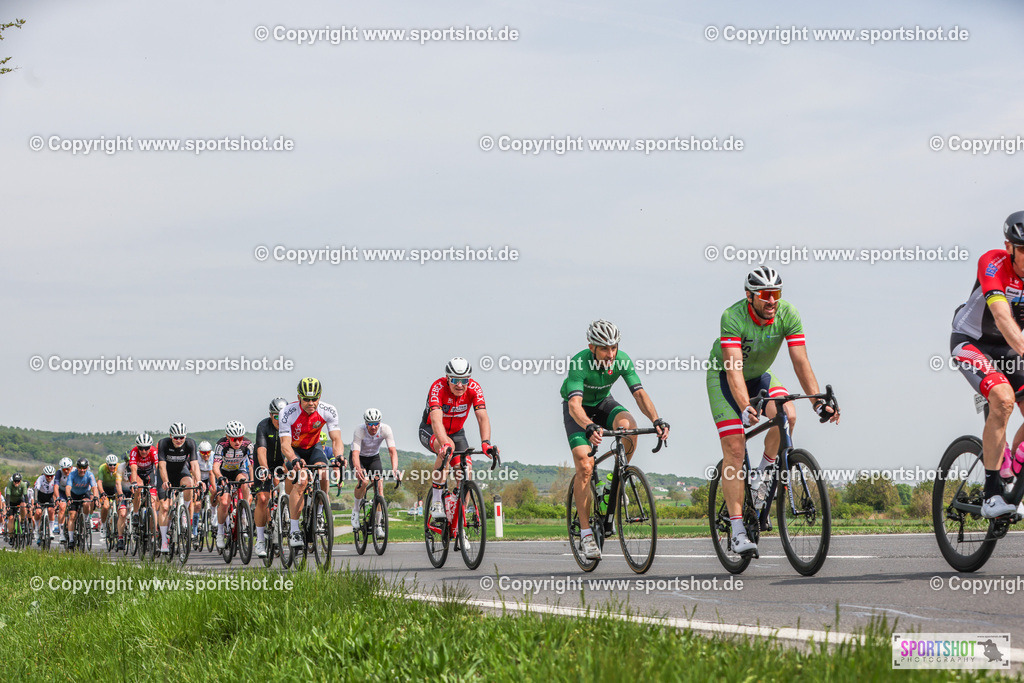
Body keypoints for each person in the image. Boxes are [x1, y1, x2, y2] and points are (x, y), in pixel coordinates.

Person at [707, 267, 838, 555]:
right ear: (750, 296)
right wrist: (744, 406)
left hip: (760, 376)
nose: (772, 301)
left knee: (788, 415)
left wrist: (818, 402)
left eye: (776, 294)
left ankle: (761, 477)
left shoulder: (788, 314)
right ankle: (738, 530)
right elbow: (734, 370)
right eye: (765, 295)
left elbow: (800, 362)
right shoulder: (732, 317)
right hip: (725, 378)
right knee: (735, 448)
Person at [561, 321, 669, 560]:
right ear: (592, 347)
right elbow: (574, 405)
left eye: (614, 348)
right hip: (578, 411)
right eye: (604, 349)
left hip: (603, 403)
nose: (610, 354)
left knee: (629, 429)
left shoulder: (622, 360)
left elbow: (639, 394)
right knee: (585, 465)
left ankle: (612, 484)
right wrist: (588, 426)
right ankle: (586, 534)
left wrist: (656, 419)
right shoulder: (579, 363)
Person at [950, 211, 1024, 518]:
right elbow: (1001, 316)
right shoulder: (993, 263)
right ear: (1009, 247)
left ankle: (1012, 465)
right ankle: (992, 495)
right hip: (971, 343)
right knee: (1004, 400)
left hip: (1009, 348)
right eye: (1023, 250)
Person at [418, 357, 499, 521]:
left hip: (457, 432)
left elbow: (482, 417)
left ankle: (459, 521)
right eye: (455, 380)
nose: (460, 385)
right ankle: (436, 502)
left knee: (466, 472)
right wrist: (443, 444)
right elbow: (436, 420)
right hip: (431, 430)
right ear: (447, 378)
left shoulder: (474, 388)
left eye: (464, 380)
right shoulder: (437, 387)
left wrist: (486, 443)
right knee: (447, 449)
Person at [279, 377, 344, 548]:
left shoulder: (328, 410)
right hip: (294, 450)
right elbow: (284, 445)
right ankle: (294, 530)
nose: (311, 403)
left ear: (320, 396)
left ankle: (320, 513)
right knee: (301, 481)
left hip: (313, 447)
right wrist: (293, 459)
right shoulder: (287, 412)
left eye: (314, 398)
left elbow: (336, 439)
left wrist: (338, 457)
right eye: (306, 399)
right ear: (299, 396)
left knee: (323, 472)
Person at [350, 408, 399, 536]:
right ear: (366, 423)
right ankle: (355, 511)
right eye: (370, 424)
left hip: (373, 458)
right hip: (359, 457)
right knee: (364, 481)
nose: (373, 427)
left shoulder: (386, 429)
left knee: (379, 488)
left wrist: (395, 469)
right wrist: (358, 468)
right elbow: (355, 453)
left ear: (380, 422)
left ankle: (378, 526)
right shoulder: (359, 430)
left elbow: (392, 451)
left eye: (376, 423)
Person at [253, 397, 288, 558]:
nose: (279, 420)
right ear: (270, 415)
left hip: (283, 463)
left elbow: (291, 449)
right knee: (262, 498)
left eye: (283, 416)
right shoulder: (263, 426)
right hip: (264, 462)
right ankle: (260, 540)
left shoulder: (291, 426)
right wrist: (265, 469)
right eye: (276, 417)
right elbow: (261, 451)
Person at [157, 422, 199, 553]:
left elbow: (195, 465)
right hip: (166, 475)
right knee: (164, 507)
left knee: (190, 484)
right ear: (170, 436)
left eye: (182, 437)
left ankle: (184, 512)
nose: (179, 440)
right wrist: (165, 481)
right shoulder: (163, 443)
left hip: (181, 472)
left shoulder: (190, 443)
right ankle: (164, 540)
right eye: (176, 437)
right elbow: (162, 466)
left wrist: (199, 481)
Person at [213, 421, 252, 550]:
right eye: (234, 439)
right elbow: (215, 466)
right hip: (224, 473)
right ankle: (219, 532)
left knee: (245, 483)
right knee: (224, 503)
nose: (238, 442)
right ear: (228, 437)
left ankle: (244, 515)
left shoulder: (248, 444)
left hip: (238, 472)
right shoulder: (221, 445)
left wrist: (252, 479)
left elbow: (252, 465)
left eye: (240, 438)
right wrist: (220, 477)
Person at [64, 458, 99, 549]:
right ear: (77, 467)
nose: (82, 470)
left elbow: (94, 487)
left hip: (84, 493)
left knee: (86, 503)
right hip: (74, 494)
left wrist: (95, 497)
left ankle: (86, 520)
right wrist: (68, 497)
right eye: (80, 468)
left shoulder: (90, 475)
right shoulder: (72, 474)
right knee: (72, 515)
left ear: (87, 467)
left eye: (84, 468)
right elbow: (68, 487)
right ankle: (71, 539)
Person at [96, 454, 127, 550]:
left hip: (115, 488)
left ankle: (118, 527)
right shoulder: (102, 468)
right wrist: (102, 493)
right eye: (110, 465)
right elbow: (99, 482)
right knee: (105, 506)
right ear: (106, 464)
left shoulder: (119, 467)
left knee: (120, 507)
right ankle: (104, 525)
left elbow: (119, 482)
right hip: (105, 488)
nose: (112, 467)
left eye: (114, 465)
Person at [32, 466, 58, 545]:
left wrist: (57, 500)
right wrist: (36, 500)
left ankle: (50, 530)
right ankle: (36, 529)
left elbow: (57, 490)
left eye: (51, 476)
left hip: (49, 496)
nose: (49, 477)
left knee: (51, 511)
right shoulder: (40, 478)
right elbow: (36, 489)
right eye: (47, 476)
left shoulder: (55, 479)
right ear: (44, 474)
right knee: (38, 512)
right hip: (40, 496)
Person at [193, 440, 215, 535]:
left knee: (214, 491)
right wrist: (196, 487)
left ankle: (214, 515)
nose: (206, 455)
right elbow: (193, 472)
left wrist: (213, 487)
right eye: (203, 453)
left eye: (208, 453)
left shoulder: (213, 456)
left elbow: (211, 473)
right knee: (197, 503)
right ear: (199, 452)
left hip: (210, 477)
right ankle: (194, 528)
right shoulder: (196, 456)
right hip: (199, 478)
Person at [4, 473, 29, 544]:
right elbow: (8, 495)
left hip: (19, 501)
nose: (16, 482)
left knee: (23, 505)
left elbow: (25, 495)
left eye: (18, 481)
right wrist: (8, 505)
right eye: (15, 481)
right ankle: (11, 536)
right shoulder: (10, 484)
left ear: (20, 480)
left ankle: (23, 521)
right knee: (11, 519)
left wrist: (27, 504)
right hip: (11, 502)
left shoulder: (23, 484)